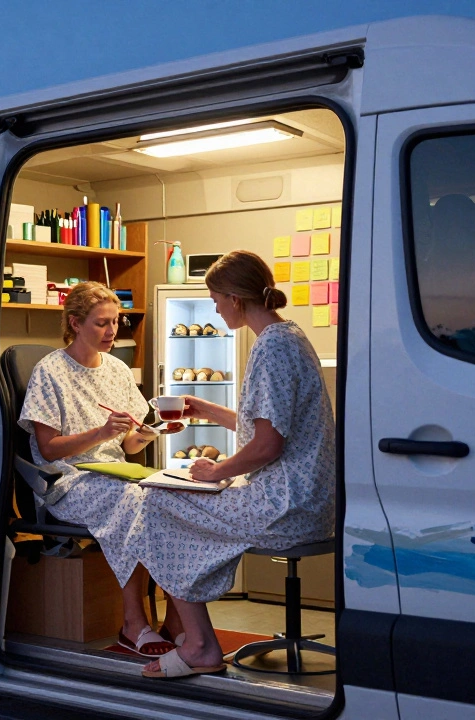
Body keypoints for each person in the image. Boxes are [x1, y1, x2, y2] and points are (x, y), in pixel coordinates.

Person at [130, 250, 336, 679]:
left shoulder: (271, 348)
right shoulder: (290, 336)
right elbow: (271, 427)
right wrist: (208, 409)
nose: (215, 308)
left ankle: (201, 644)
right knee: (177, 501)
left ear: (235, 299)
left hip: (286, 507)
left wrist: (214, 472)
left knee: (155, 505)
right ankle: (192, 631)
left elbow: (266, 447)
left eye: (216, 299)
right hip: (310, 501)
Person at [18, 281, 183, 658]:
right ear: (75, 323)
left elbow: (126, 446)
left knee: (170, 496)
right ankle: (133, 623)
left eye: (116, 322)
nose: (112, 332)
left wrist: (150, 433)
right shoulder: (51, 372)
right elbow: (47, 448)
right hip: (67, 480)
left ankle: (175, 619)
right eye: (101, 323)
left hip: (114, 473)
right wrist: (99, 432)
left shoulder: (118, 370)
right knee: (132, 502)